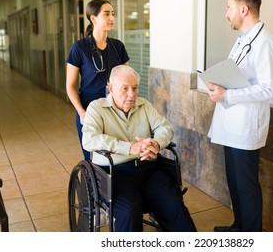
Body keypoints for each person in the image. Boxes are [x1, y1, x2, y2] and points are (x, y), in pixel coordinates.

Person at [82, 65, 197, 232]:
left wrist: (156, 143)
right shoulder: (96, 108)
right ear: (110, 88)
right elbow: (90, 139)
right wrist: (129, 148)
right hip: (114, 172)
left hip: (147, 169)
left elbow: (165, 128)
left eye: (135, 88)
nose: (131, 94)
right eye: (125, 89)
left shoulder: (144, 105)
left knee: (173, 202)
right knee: (129, 210)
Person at [206, 0, 273, 232]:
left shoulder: (264, 43)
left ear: (244, 9)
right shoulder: (243, 41)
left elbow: (269, 88)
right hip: (232, 124)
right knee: (235, 182)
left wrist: (228, 93)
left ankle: (251, 237)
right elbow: (238, 77)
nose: (226, 13)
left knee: (246, 186)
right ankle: (239, 228)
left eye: (229, 8)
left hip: (246, 127)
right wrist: (219, 86)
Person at [66, 0, 129, 161]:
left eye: (113, 14)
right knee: (93, 158)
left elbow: (126, 80)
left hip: (115, 110)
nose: (111, 18)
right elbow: (70, 86)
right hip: (89, 110)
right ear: (93, 19)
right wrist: (81, 112)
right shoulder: (79, 48)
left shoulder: (118, 47)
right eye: (106, 14)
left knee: (117, 157)